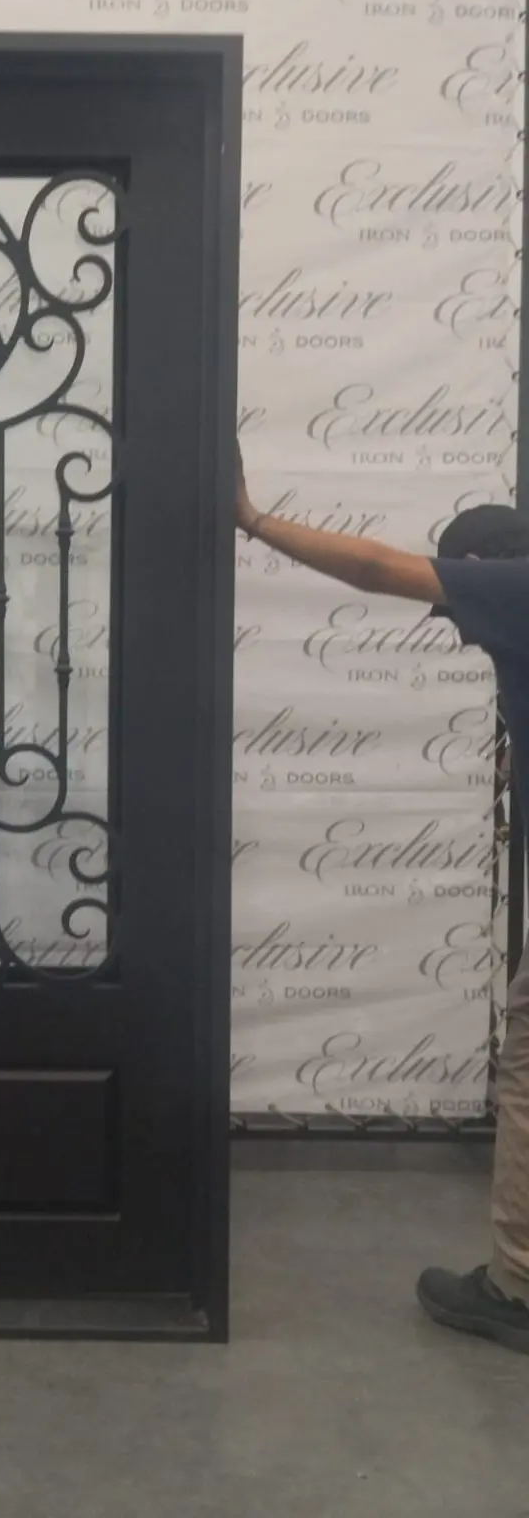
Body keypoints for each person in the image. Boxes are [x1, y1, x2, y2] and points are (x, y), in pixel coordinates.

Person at [237, 444, 529, 1355]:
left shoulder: (516, 587)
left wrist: (252, 521)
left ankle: (518, 1290)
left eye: (453, 605)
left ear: (477, 569)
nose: (457, 630)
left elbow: (373, 568)